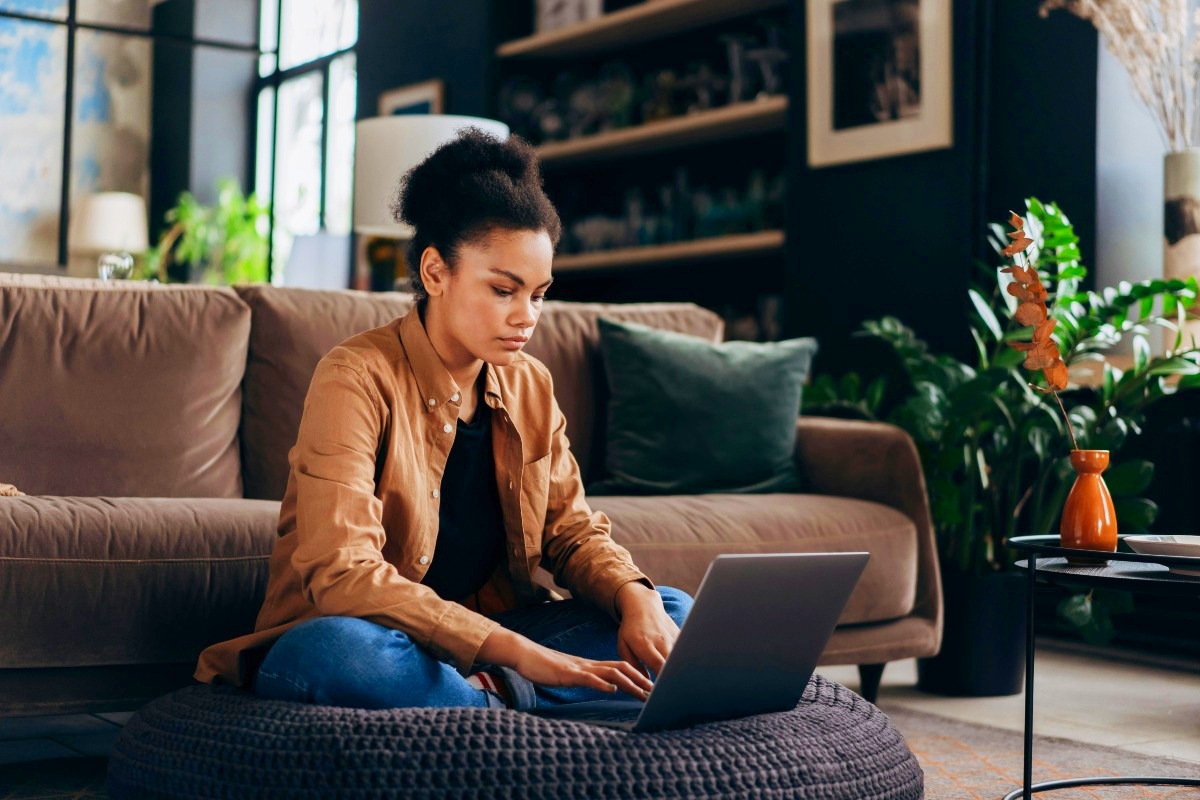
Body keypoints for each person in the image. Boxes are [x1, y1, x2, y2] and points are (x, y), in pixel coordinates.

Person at [192, 128, 693, 711]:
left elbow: (572, 532)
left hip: (496, 639)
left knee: (672, 612)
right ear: (435, 272)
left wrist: (637, 599)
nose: (526, 316)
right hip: (380, 636)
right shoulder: (355, 375)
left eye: (538, 294)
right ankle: (530, 700)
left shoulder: (530, 384)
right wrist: (515, 652)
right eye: (504, 290)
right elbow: (341, 573)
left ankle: (484, 704)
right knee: (334, 655)